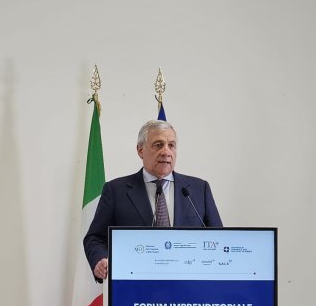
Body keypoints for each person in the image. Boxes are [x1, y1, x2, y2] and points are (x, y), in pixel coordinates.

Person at [84, 119, 221, 281]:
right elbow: (95, 238)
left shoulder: (198, 189)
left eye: (171, 145)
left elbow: (218, 239)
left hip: (189, 285)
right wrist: (100, 259)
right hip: (135, 284)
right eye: (158, 145)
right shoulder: (116, 190)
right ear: (140, 150)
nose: (166, 152)